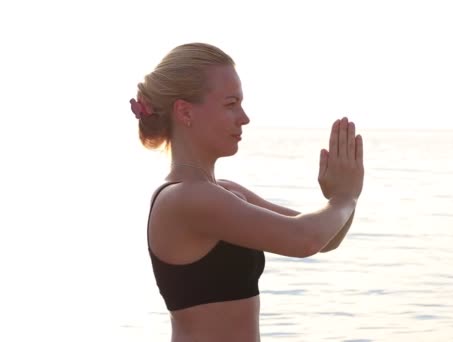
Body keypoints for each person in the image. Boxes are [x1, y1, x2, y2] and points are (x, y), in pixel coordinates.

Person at [130, 42, 364, 342]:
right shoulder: (185, 199)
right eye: (231, 104)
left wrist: (344, 193)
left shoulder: (224, 192)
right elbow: (305, 238)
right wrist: (345, 197)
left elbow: (326, 240)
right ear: (185, 112)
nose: (244, 117)